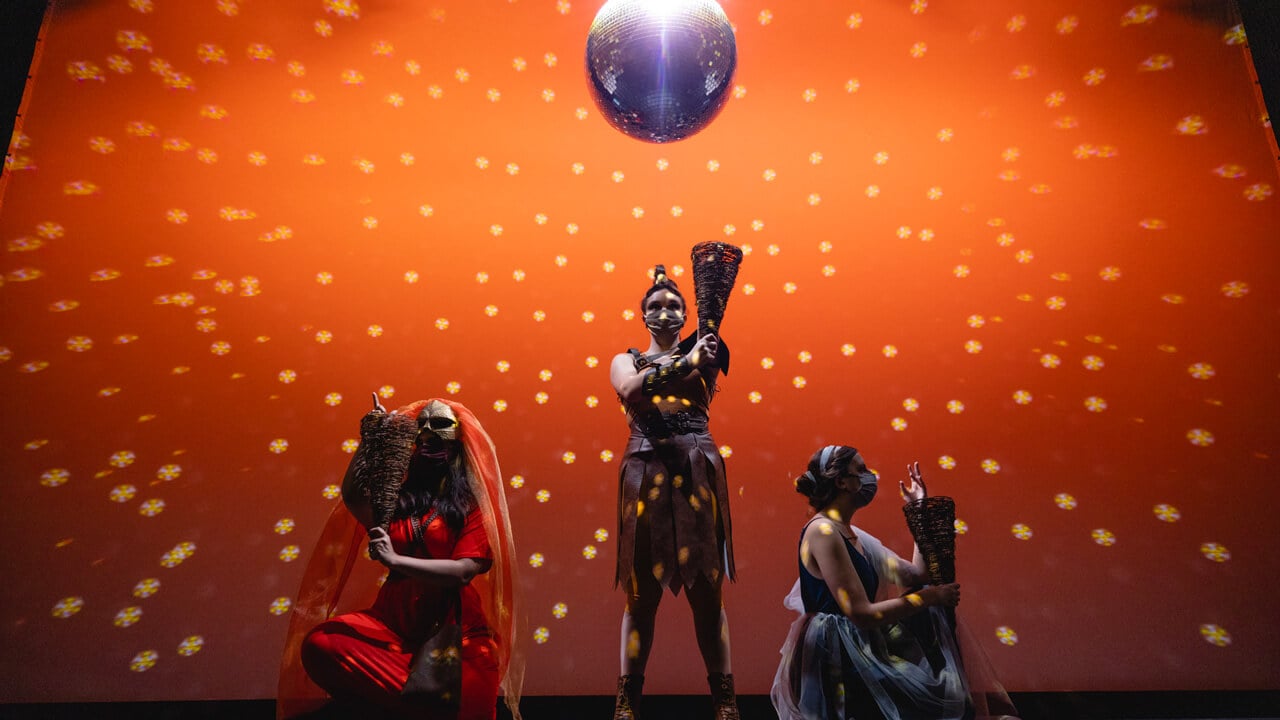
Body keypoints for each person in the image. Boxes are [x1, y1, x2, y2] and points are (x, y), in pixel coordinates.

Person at [277, 396, 523, 720]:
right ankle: (421, 705)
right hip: (392, 626)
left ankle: (425, 703)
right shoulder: (398, 503)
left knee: (467, 701)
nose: (429, 433)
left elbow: (463, 571)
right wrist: (371, 438)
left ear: (459, 441)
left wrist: (396, 561)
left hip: (455, 631)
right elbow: (353, 495)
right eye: (422, 427)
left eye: (441, 425)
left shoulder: (472, 508)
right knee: (323, 643)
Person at [771, 445, 1015, 720]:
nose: (869, 477)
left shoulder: (854, 535)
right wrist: (931, 597)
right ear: (841, 481)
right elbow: (860, 613)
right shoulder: (823, 531)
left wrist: (918, 510)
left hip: (861, 645)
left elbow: (916, 575)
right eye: (860, 470)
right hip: (836, 656)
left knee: (925, 605)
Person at [609, 265, 738, 720]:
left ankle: (724, 700)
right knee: (640, 595)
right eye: (655, 306)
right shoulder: (624, 360)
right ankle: (627, 700)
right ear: (642, 315)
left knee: (708, 591)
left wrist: (701, 354)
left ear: (687, 314)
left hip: (696, 467)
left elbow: (708, 363)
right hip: (644, 469)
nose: (664, 312)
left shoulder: (709, 350)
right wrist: (685, 363)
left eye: (673, 306)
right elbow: (628, 387)